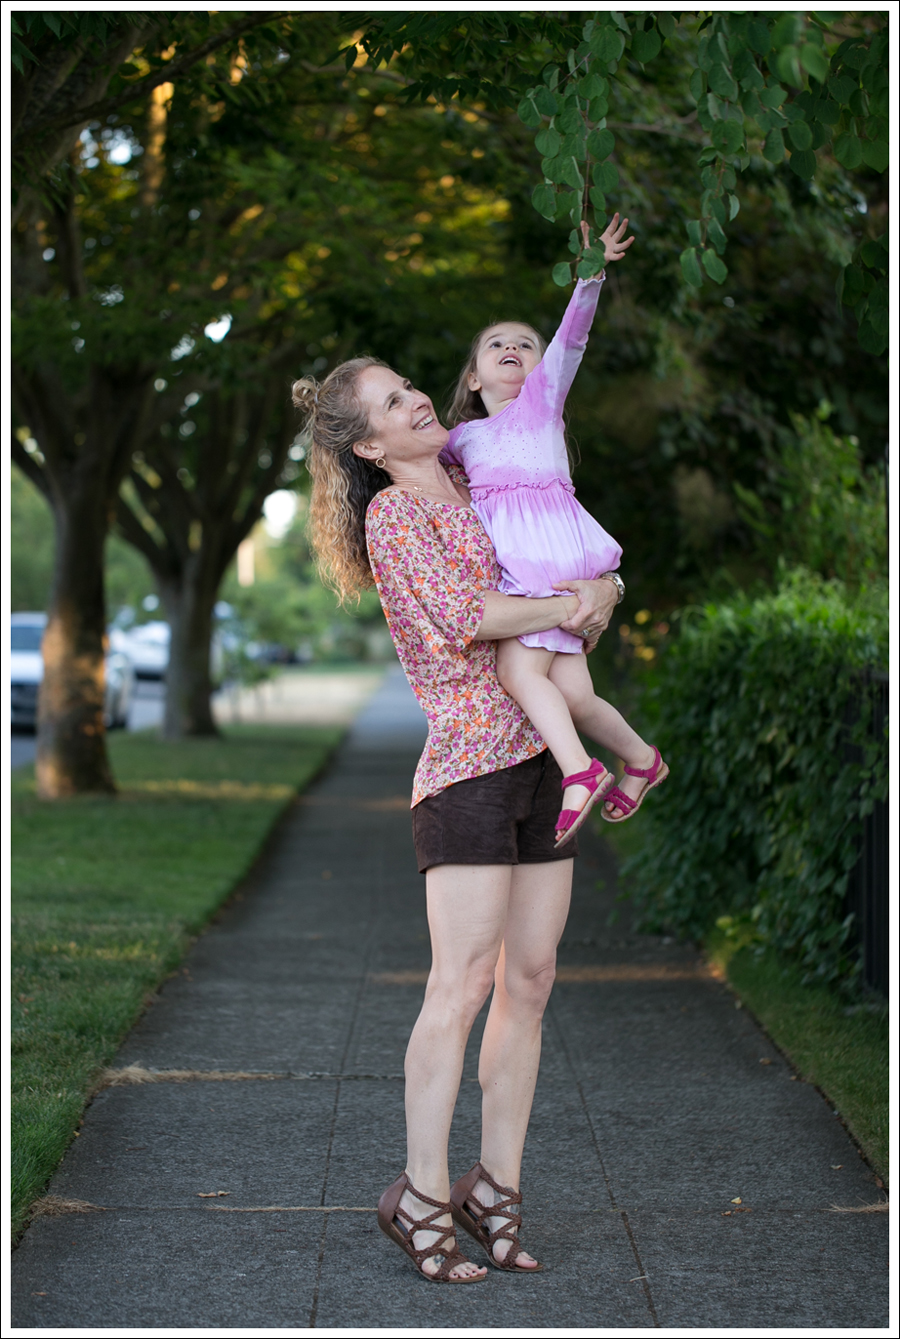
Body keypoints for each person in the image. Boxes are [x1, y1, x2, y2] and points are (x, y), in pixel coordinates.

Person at [292, 355, 619, 1283]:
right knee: (464, 983)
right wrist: (575, 601)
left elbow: (574, 553)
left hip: (544, 763)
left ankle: (497, 1191)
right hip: (471, 771)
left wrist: (606, 589)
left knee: (534, 977)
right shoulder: (396, 517)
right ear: (369, 444)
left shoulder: (488, 476)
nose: (417, 399)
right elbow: (469, 615)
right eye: (392, 402)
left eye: (409, 385)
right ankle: (425, 1194)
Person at [444, 214, 668, 838]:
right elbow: (421, 470)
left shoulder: (540, 407)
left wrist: (590, 274)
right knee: (573, 696)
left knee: (517, 674)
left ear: (541, 370)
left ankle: (578, 771)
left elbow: (571, 339)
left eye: (526, 344)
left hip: (545, 566)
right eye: (497, 344)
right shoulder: (462, 438)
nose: (513, 347)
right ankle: (643, 760)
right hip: (538, 570)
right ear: (473, 376)